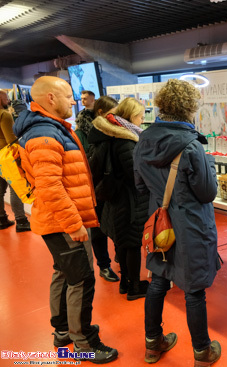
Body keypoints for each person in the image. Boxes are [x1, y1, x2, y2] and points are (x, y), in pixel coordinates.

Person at [12, 76, 117, 363]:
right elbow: (51, 187)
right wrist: (75, 224)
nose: (74, 101)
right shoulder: (44, 134)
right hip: (63, 223)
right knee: (82, 280)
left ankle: (62, 332)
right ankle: (84, 343)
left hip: (57, 220)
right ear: (50, 98)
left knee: (64, 273)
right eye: (68, 95)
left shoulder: (49, 129)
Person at [134, 79, 221, 365]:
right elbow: (207, 193)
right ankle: (202, 351)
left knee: (158, 281)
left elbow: (141, 187)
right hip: (191, 227)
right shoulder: (192, 146)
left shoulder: (142, 141)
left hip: (160, 223)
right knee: (193, 290)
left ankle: (152, 343)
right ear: (190, 108)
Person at [88, 97, 149, 300]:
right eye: (140, 116)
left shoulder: (111, 136)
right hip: (129, 202)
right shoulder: (125, 140)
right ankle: (134, 287)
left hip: (116, 199)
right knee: (131, 244)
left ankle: (125, 283)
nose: (142, 120)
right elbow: (135, 176)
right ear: (131, 117)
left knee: (122, 243)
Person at [74, 95, 120, 283]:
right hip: (95, 187)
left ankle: (119, 254)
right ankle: (104, 265)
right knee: (98, 229)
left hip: (114, 186)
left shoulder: (115, 129)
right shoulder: (81, 133)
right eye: (112, 113)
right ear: (101, 113)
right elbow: (83, 162)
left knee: (117, 224)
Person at [0, 90, 31, 232]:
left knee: (0, 191)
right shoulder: (4, 115)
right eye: (6, 97)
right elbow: (11, 140)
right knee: (16, 189)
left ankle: (1, 219)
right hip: (6, 157)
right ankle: (21, 221)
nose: (8, 100)